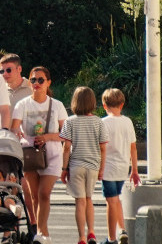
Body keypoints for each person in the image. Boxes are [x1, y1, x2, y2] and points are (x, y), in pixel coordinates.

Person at [11, 66, 67, 241]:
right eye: (33, 80)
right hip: (30, 153)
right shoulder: (23, 104)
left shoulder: (56, 105)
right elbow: (14, 127)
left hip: (52, 154)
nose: (36, 83)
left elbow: (66, 133)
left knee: (44, 193)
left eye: (40, 80)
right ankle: (41, 234)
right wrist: (17, 132)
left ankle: (42, 232)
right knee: (34, 196)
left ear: (48, 82)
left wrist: (48, 136)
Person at [60, 87, 107, 244]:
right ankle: (91, 232)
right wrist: (101, 168)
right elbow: (103, 148)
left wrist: (63, 169)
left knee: (79, 201)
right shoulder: (99, 122)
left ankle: (81, 237)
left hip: (76, 165)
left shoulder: (70, 121)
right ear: (93, 102)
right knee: (89, 199)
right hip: (93, 165)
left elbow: (66, 148)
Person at [100, 88, 140, 244]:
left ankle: (113, 236)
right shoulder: (127, 121)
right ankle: (120, 231)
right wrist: (134, 169)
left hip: (108, 167)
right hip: (123, 167)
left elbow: (101, 148)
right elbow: (133, 147)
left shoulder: (103, 123)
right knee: (116, 199)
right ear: (122, 104)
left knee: (111, 201)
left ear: (104, 105)